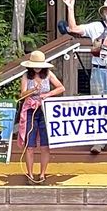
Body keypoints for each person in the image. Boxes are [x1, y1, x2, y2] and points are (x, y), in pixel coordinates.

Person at [62, 0, 107, 156]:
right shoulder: (95, 27)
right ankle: (98, 141)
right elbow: (73, 29)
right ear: (103, 11)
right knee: (97, 106)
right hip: (98, 71)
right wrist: (70, 8)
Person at [18, 50, 65, 183]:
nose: (37, 68)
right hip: (30, 110)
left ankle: (43, 173)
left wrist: (47, 94)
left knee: (45, 144)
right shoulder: (26, 76)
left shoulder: (48, 74)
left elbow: (61, 88)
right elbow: (22, 95)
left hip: (44, 111)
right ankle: (30, 174)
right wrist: (33, 89)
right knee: (30, 144)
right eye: (35, 65)